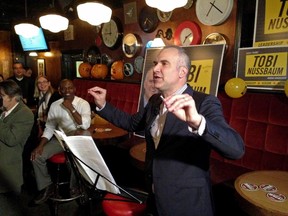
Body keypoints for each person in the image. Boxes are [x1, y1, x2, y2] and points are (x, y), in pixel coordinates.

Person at [88, 46, 245, 216]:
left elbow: (236, 149)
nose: (155, 68)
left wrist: (198, 122)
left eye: (164, 63)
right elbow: (132, 123)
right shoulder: (156, 100)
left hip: (186, 203)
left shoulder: (204, 102)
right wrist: (103, 105)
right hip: (156, 196)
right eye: (156, 63)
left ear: (182, 72)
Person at [30, 79, 91, 205]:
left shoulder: (83, 103)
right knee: (36, 157)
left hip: (77, 139)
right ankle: (46, 187)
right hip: (60, 139)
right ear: (59, 91)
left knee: (75, 158)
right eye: (64, 89)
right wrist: (40, 146)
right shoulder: (55, 105)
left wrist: (71, 108)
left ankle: (76, 187)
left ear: (74, 89)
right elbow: (50, 128)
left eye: (70, 88)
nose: (67, 91)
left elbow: (85, 125)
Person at [0, 80, 34, 214]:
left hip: (7, 171)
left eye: (1, 95)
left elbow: (11, 139)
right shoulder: (4, 109)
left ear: (13, 97)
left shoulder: (25, 114)